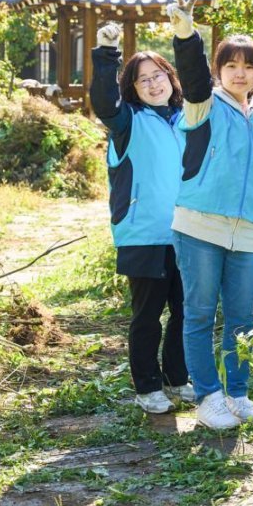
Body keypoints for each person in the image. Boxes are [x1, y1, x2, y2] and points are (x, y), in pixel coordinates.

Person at [164, 0, 253, 430]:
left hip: (247, 232)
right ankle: (208, 396)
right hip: (199, 225)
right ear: (219, 70)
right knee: (199, 313)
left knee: (242, 320)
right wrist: (186, 35)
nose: (240, 73)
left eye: (248, 65)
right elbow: (194, 79)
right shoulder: (203, 106)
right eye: (231, 65)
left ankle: (237, 393)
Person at [89, 24, 192, 415]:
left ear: (171, 77)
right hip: (144, 233)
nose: (152, 84)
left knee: (187, 311)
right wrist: (107, 53)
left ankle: (178, 379)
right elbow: (103, 101)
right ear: (132, 88)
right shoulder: (126, 122)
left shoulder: (188, 118)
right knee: (148, 315)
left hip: (188, 232)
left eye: (158, 75)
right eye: (142, 80)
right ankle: (147, 386)